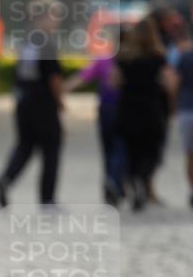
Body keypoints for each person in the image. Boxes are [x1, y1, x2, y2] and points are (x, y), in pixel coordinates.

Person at [0, 2, 64, 208]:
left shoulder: (27, 40)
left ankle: (5, 179)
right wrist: (61, 102)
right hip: (44, 104)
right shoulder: (47, 43)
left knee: (25, 145)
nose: (56, 22)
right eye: (53, 17)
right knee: (51, 149)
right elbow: (54, 77)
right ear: (41, 18)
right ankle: (47, 198)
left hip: (24, 102)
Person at [114, 17, 176, 211]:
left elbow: (113, 82)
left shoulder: (124, 58)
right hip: (151, 109)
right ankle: (143, 179)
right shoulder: (158, 58)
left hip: (128, 109)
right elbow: (169, 84)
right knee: (152, 151)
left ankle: (134, 186)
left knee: (132, 152)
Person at [66, 48, 126, 206]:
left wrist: (62, 89)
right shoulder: (130, 61)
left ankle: (111, 183)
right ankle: (114, 182)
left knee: (108, 150)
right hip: (123, 111)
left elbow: (83, 77)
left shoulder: (104, 60)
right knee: (120, 148)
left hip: (106, 110)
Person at [174, 28, 193, 207]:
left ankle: (192, 189)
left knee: (189, 154)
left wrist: (172, 106)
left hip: (187, 110)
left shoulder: (185, 57)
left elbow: (175, 83)